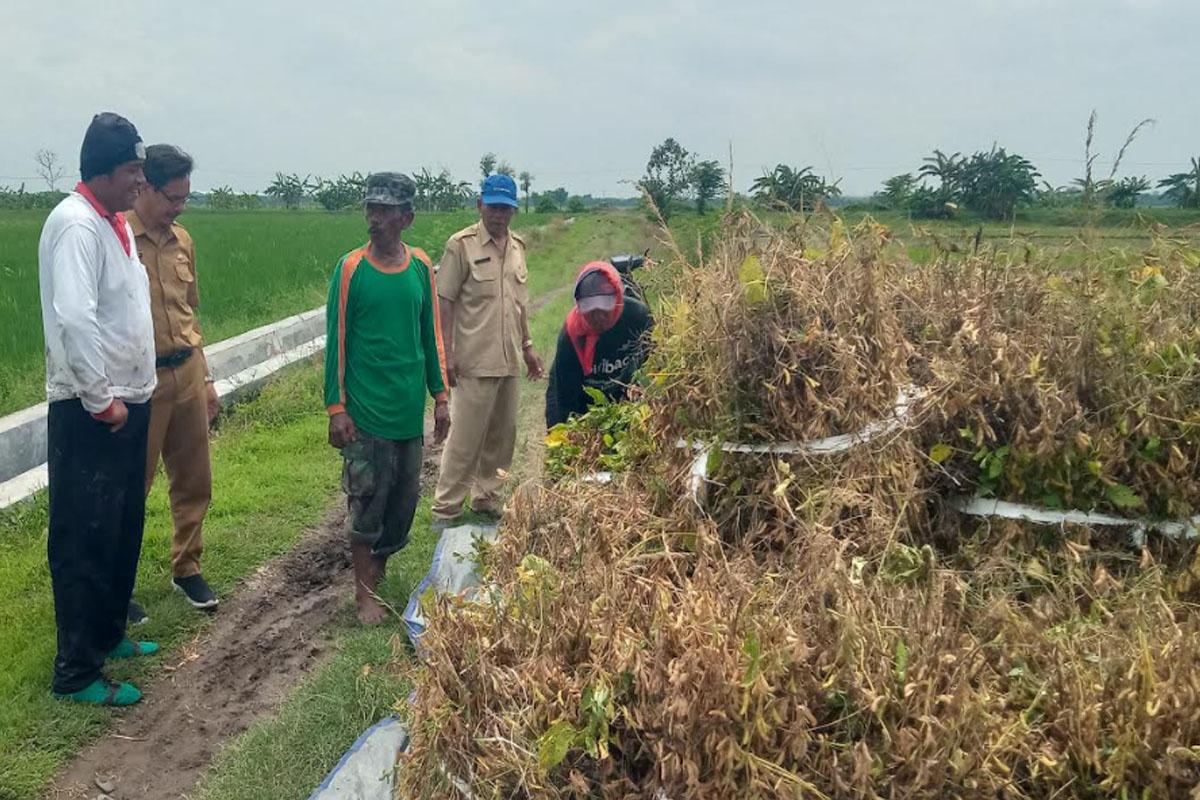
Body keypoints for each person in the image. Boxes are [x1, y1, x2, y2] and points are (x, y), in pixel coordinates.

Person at [39, 113, 158, 706]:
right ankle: (77, 672)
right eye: (133, 170)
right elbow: (75, 317)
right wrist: (101, 399)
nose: (142, 179)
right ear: (104, 172)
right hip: (92, 410)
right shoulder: (75, 225)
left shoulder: (117, 223)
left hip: (129, 401)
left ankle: (110, 633)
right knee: (84, 535)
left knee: (120, 525)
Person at [324, 172, 450, 624]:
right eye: (370, 210)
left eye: (384, 211)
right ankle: (363, 598)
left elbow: (430, 334)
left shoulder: (419, 266)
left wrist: (440, 396)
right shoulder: (351, 269)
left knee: (403, 502)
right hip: (366, 413)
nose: (374, 219)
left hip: (406, 411)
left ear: (406, 217)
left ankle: (375, 575)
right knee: (366, 503)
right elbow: (336, 341)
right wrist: (336, 408)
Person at [128, 144, 219, 618]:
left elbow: (188, 314)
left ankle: (187, 567)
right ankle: (117, 585)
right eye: (172, 198)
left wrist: (205, 379)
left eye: (185, 198)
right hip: (140, 383)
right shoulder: (118, 237)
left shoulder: (183, 240)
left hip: (185, 371)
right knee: (131, 487)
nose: (178, 208)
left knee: (194, 480)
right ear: (143, 186)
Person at [432, 174, 544, 524]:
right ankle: (446, 508)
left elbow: (519, 305)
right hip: (473, 360)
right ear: (480, 205)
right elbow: (445, 302)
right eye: (493, 206)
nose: (499, 214)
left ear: (514, 211)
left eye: (506, 208)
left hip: (509, 358)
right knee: (465, 439)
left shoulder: (517, 248)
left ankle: (486, 499)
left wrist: (527, 347)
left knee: (501, 437)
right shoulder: (460, 246)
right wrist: (446, 355)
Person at [545, 261, 654, 428]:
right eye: (591, 311)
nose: (598, 318)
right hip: (581, 401)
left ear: (618, 299)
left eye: (604, 309)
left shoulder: (638, 317)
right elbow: (565, 402)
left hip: (625, 397)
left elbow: (654, 366)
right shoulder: (571, 336)